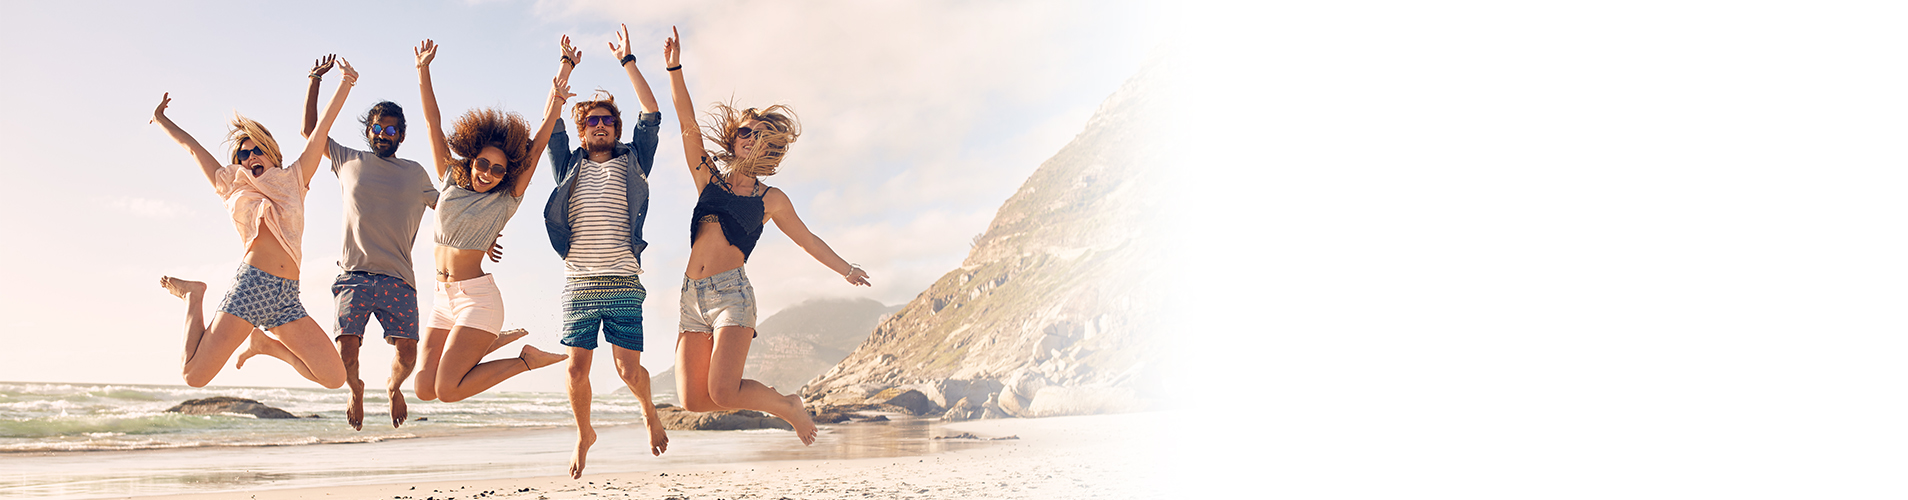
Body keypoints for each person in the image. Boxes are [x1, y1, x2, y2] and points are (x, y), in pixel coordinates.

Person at [663, 27, 872, 446]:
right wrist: (674, 68)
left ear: (768, 146)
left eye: (760, 134)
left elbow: (808, 240)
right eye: (745, 131)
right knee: (694, 401)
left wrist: (846, 269)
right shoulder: (707, 179)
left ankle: (787, 406)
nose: (751, 138)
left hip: (731, 296)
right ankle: (781, 401)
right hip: (691, 297)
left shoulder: (769, 199)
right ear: (734, 138)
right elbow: (687, 123)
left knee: (724, 392)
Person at [300, 54, 514, 430]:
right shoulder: (347, 159)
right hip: (353, 275)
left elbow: (454, 210)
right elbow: (309, 132)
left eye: (392, 129)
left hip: (398, 278)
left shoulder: (415, 174)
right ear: (369, 131)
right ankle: (355, 389)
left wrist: (486, 235)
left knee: (409, 355)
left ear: (401, 135)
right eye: (378, 127)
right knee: (346, 349)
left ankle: (394, 387)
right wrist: (315, 81)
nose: (383, 134)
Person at [151, 59, 362, 389]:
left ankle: (265, 345)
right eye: (243, 155)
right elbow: (192, 149)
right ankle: (193, 294)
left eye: (257, 150)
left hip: (287, 296)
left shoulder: (293, 179)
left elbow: (321, 130)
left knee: (335, 377)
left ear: (272, 153)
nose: (250, 157)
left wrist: (346, 82)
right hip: (251, 288)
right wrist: (162, 118)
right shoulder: (232, 186)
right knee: (193, 376)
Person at [410, 38, 572, 403]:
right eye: (483, 164)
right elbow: (432, 123)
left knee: (447, 390)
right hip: (442, 298)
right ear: (471, 159)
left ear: (506, 174)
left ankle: (525, 360)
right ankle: (487, 343)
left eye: (498, 170)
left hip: (477, 301)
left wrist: (561, 83)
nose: (488, 173)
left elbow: (538, 145)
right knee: (424, 389)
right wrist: (423, 69)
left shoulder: (505, 200)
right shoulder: (450, 179)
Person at [542, 25, 671, 478]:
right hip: (578, 282)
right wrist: (565, 68)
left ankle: (649, 412)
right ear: (582, 132)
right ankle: (584, 434)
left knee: (627, 372)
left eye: (608, 121)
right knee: (576, 370)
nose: (600, 125)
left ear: (616, 128)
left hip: (622, 280)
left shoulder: (634, 160)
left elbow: (651, 113)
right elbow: (550, 121)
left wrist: (628, 62)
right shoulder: (568, 164)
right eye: (592, 121)